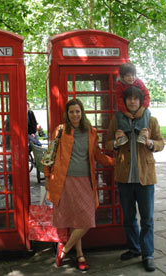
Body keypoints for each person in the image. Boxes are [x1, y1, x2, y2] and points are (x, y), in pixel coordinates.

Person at [44, 98, 115, 271]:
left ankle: (65, 249)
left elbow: (97, 154)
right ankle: (80, 254)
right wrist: (47, 177)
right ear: (67, 115)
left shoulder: (91, 132)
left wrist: (114, 162)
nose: (75, 114)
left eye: (77, 111)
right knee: (76, 219)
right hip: (65, 181)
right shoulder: (60, 131)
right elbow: (50, 154)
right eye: (71, 112)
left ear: (82, 112)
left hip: (85, 180)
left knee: (86, 218)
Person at [105, 86, 164, 272]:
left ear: (140, 101)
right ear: (125, 101)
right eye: (129, 98)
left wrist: (150, 143)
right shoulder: (117, 120)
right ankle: (134, 248)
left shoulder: (150, 120)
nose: (132, 101)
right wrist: (115, 142)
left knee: (147, 219)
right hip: (125, 177)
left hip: (145, 177)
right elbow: (106, 143)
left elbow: (160, 142)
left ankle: (148, 254)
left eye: (135, 99)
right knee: (129, 217)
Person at [115, 63, 151, 146]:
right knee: (119, 114)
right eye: (128, 76)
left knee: (147, 112)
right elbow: (119, 99)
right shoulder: (119, 84)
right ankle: (124, 133)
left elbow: (146, 95)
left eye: (133, 75)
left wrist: (142, 109)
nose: (131, 78)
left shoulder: (138, 82)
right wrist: (126, 112)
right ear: (122, 76)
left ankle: (142, 132)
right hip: (125, 109)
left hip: (141, 108)